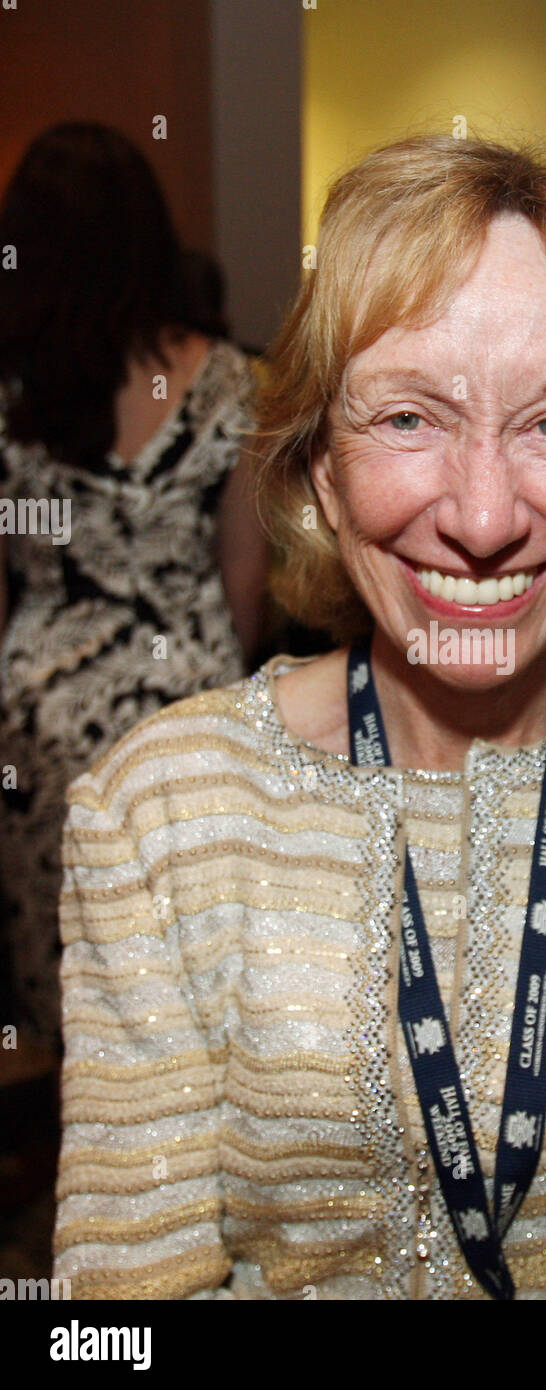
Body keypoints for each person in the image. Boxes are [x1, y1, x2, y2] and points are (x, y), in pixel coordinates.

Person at [53, 133, 546, 1301]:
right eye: (408, 418)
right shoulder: (157, 814)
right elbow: (119, 1316)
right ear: (318, 464)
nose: (479, 515)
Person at [0, 124, 268, 1052]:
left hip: (38, 726)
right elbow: (244, 571)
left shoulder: (15, 390)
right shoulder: (229, 381)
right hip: (185, 712)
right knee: (186, 993)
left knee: (76, 996)